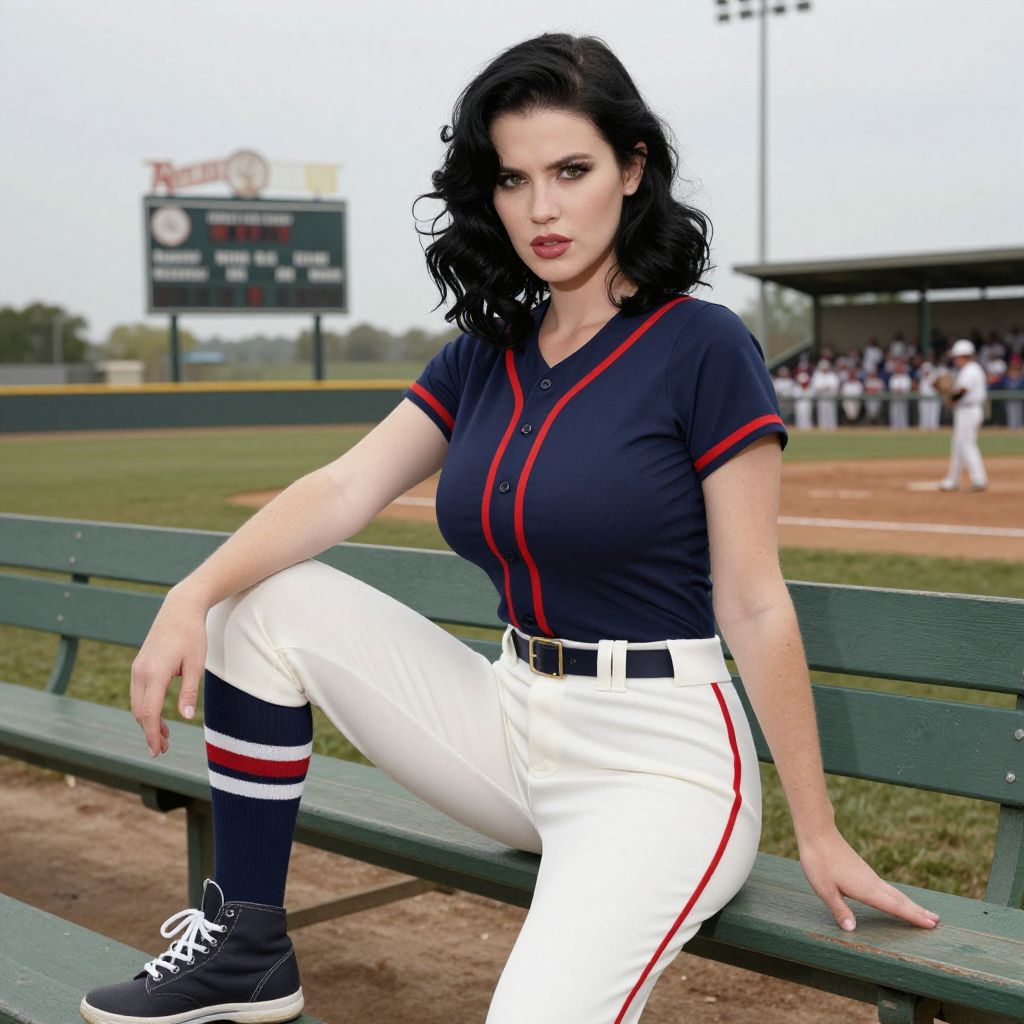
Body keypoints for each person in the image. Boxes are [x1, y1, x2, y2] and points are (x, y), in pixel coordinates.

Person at [79, 32, 940, 1024]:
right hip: (512, 719)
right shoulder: (485, 352)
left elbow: (751, 597)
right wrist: (191, 592)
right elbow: (344, 486)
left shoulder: (701, 345)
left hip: (658, 764)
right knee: (259, 600)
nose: (541, 208)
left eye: (570, 170)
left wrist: (819, 829)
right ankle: (247, 945)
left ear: (631, 168)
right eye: (512, 178)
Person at [940, 338, 989, 492]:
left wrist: (950, 398)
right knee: (958, 445)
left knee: (967, 444)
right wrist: (951, 397)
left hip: (969, 410)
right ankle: (952, 480)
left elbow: (962, 392)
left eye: (957, 357)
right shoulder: (970, 369)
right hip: (966, 410)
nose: (955, 360)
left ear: (965, 356)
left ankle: (979, 479)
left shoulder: (971, 370)